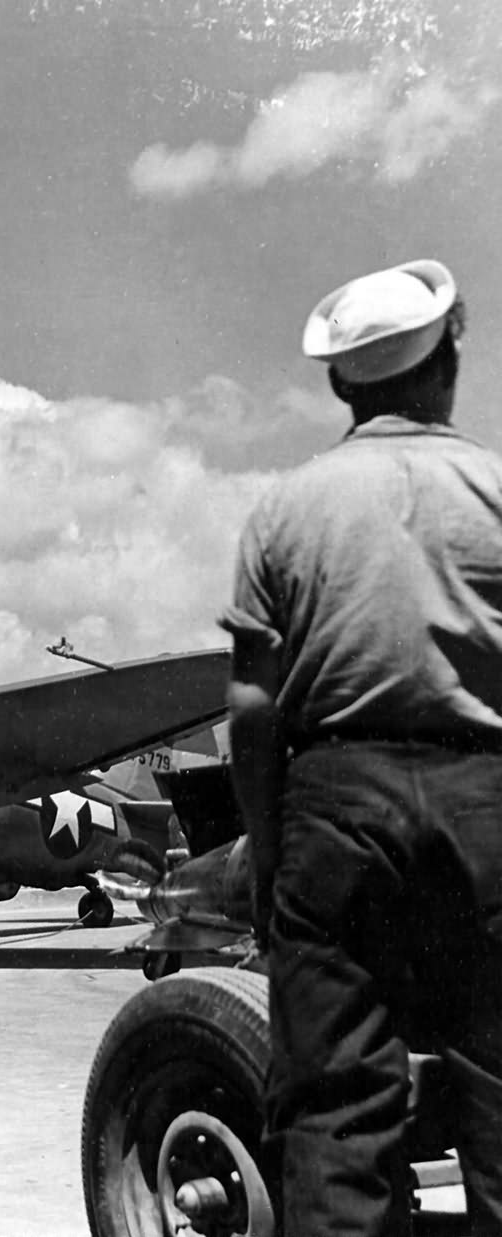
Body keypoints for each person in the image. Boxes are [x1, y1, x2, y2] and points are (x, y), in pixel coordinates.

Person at [221, 258, 502, 1235]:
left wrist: (268, 848)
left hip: (336, 811)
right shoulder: (494, 487)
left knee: (335, 1120)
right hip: (489, 806)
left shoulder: (286, 509)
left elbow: (253, 711)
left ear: (341, 382)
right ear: (448, 360)